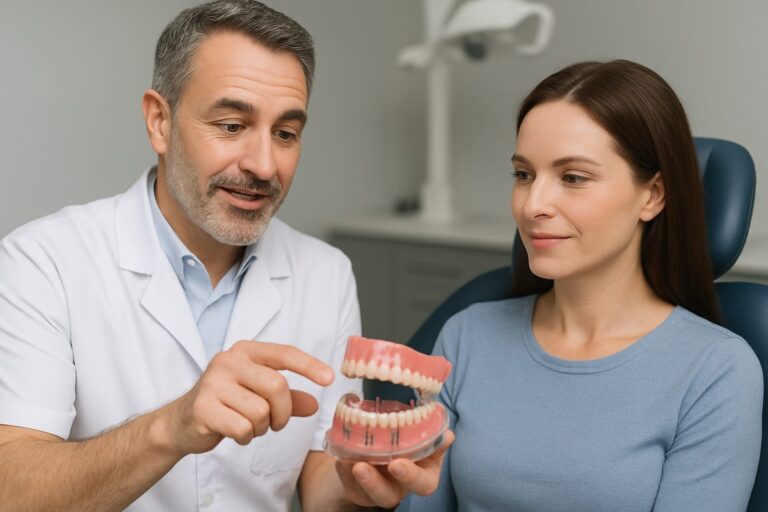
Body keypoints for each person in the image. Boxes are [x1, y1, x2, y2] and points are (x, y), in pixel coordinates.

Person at [0, 1, 450, 510]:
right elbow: (11, 488)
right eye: (232, 125)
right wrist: (173, 426)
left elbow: (319, 476)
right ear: (159, 122)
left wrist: (358, 483)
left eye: (285, 133)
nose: (263, 165)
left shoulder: (326, 274)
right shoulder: (41, 263)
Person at [399, 60, 763, 511]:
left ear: (653, 195)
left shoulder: (716, 370)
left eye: (573, 177)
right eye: (523, 174)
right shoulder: (466, 336)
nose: (533, 205)